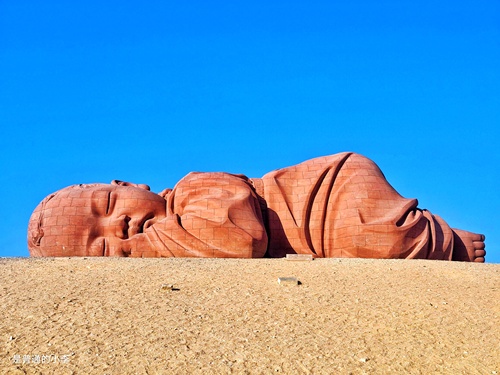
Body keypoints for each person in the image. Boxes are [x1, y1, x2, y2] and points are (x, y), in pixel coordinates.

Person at [27, 152, 486, 262]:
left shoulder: (195, 187)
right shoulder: (174, 248)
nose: (120, 224)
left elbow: (236, 237)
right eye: (105, 248)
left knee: (374, 239)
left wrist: (139, 253)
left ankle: (449, 242)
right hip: (319, 238)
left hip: (330, 194)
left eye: (107, 204)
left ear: (129, 183)